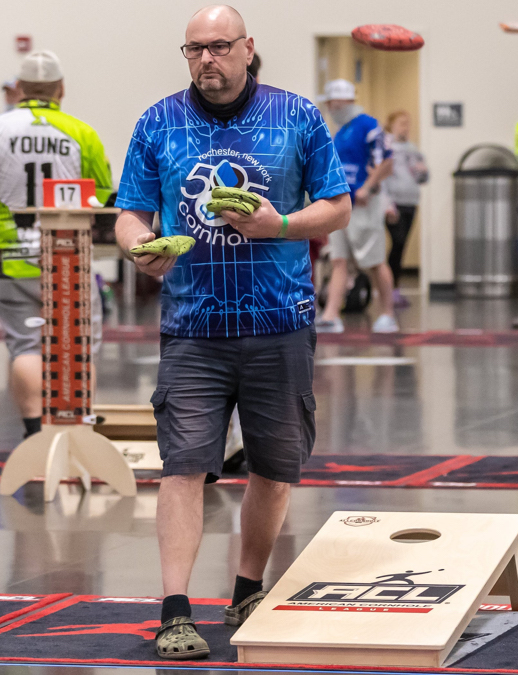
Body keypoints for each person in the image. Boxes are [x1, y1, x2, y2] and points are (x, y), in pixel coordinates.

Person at [113, 5, 350, 659]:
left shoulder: (296, 115)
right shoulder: (157, 121)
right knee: (184, 467)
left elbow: (339, 204)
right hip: (192, 326)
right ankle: (175, 609)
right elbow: (129, 212)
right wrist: (139, 247)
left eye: (218, 46)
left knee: (275, 469)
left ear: (248, 48)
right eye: (194, 50)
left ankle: (248, 587)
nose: (206, 59)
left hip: (281, 323)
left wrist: (279, 226)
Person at [0, 50, 112, 441]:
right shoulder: (81, 132)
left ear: (19, 89)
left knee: (26, 345)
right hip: (68, 255)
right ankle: (75, 435)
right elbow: (100, 194)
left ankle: (35, 437)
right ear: (60, 89)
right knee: (77, 342)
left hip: (12, 259)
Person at [315, 78, 398, 334]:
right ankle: (331, 314)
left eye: (331, 102)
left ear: (340, 100)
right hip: (343, 203)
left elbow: (387, 161)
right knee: (339, 260)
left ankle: (388, 314)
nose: (330, 107)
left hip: (364, 204)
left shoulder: (367, 125)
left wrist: (369, 187)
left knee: (373, 261)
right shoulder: (341, 131)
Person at [382, 110, 427, 304]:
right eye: (401, 123)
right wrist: (387, 205)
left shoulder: (413, 148)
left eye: (407, 123)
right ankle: (388, 290)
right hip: (394, 204)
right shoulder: (385, 147)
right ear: (390, 126)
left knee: (401, 247)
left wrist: (422, 172)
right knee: (397, 243)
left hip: (411, 202)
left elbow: (423, 178)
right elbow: (381, 177)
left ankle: (395, 289)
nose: (405, 127)